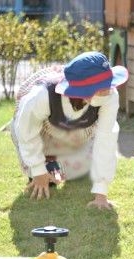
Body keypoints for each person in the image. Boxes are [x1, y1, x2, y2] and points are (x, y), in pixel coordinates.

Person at [11, 51, 128, 209]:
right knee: (41, 173)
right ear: (82, 92)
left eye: (109, 83)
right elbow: (26, 132)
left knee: (78, 170)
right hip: (42, 128)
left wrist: (101, 193)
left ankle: (71, 165)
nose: (109, 90)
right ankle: (47, 164)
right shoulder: (41, 96)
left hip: (79, 130)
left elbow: (106, 138)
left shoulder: (109, 95)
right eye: (101, 88)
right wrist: (38, 171)